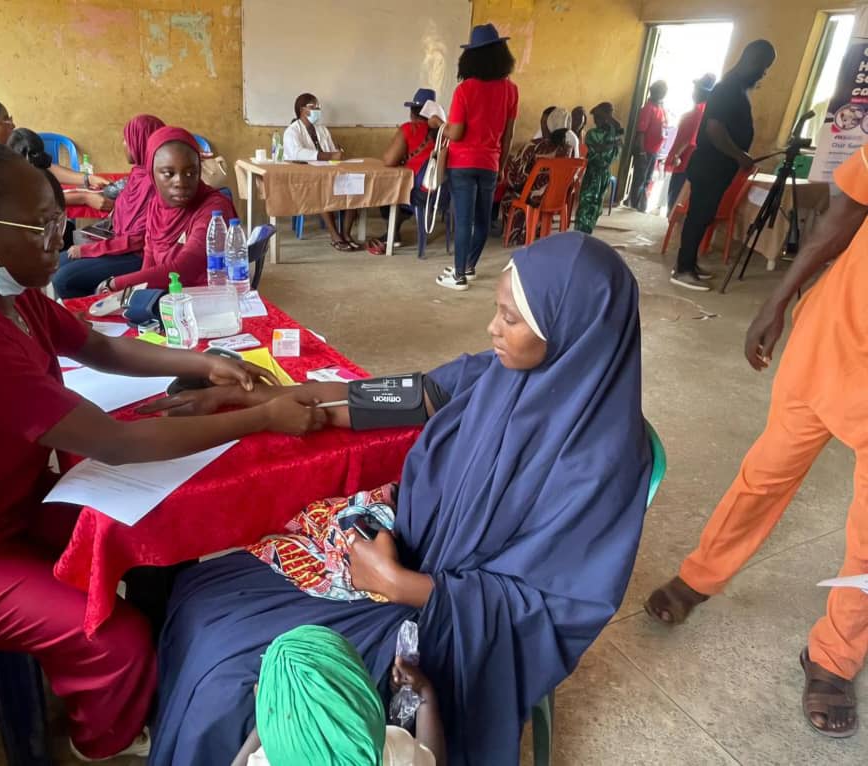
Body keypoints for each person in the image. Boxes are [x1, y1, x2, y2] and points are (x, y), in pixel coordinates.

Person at [0, 137, 327, 762]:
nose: (56, 239)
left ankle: (161, 668)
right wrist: (263, 417)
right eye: (39, 227)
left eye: (56, 221)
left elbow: (99, 347)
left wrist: (202, 363)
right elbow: (118, 443)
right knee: (114, 640)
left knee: (154, 535)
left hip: (9, 507)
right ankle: (104, 737)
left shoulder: (11, 296)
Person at [144, 232, 652, 765]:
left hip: (441, 615)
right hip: (400, 548)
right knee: (202, 592)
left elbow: (554, 608)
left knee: (233, 679)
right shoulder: (498, 374)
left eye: (510, 318)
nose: (492, 328)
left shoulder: (600, 463)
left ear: (570, 330)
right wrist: (254, 400)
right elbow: (391, 397)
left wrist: (399, 584)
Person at [645, 144, 868, 739]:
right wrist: (778, 298)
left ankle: (835, 654)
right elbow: (844, 213)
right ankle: (701, 575)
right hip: (830, 345)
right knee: (763, 476)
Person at [230, 626, 445, 766]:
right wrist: (425, 694)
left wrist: (266, 719)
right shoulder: (394, 750)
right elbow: (434, 760)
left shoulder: (264, 761)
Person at [670, 40, 775, 291]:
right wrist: (740, 156)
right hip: (709, 166)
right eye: (764, 66)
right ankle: (683, 270)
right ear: (752, 60)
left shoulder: (736, 88)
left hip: (718, 168)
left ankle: (690, 264)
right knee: (698, 217)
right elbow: (714, 129)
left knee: (704, 216)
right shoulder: (727, 89)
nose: (764, 73)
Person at [430, 23, 518, 291]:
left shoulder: (465, 89)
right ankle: (468, 266)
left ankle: (458, 276)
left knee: (463, 221)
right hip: (490, 164)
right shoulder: (510, 90)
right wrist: (501, 166)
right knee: (482, 221)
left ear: (470, 57)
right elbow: (508, 135)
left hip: (462, 164)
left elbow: (456, 133)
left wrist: (438, 124)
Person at [100, 126, 237, 294]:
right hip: (168, 295)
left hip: (205, 298)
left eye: (190, 173)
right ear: (151, 173)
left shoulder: (214, 208)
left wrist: (115, 284)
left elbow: (184, 268)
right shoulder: (156, 206)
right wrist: (138, 295)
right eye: (168, 174)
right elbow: (149, 259)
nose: (180, 182)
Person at [48, 115, 168, 298]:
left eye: (127, 139)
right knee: (58, 262)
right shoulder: (138, 175)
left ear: (142, 141)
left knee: (63, 279)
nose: (124, 144)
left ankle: (92, 308)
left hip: (139, 255)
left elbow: (138, 239)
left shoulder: (155, 184)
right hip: (122, 246)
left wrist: (88, 250)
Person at [0, 96, 109, 189]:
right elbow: (20, 202)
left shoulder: (6, 152)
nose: (12, 125)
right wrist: (83, 197)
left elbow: (44, 167)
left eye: (10, 118)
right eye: (5, 120)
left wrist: (88, 179)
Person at [368, 88, 443, 254]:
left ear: (412, 112)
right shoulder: (444, 133)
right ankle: (396, 227)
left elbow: (389, 160)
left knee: (387, 191)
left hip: (418, 192)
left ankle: (393, 234)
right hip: (442, 193)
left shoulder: (409, 129)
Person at [282, 93, 360, 252]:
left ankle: (346, 234)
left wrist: (337, 153)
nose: (317, 110)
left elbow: (331, 151)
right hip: (306, 179)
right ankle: (335, 236)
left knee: (354, 185)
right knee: (322, 190)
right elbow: (297, 153)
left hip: (328, 173)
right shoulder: (292, 131)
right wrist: (329, 156)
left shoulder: (322, 129)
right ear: (302, 110)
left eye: (318, 107)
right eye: (313, 107)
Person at [501, 128, 572, 244]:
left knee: (509, 196)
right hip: (557, 199)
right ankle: (538, 229)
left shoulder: (534, 146)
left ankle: (518, 235)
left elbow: (517, 177)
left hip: (534, 198)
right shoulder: (568, 149)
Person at [665, 74, 716, 212]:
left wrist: (676, 155)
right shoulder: (703, 110)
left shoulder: (699, 112)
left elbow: (689, 138)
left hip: (685, 161)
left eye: (696, 90)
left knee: (675, 198)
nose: (693, 93)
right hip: (689, 161)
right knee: (678, 199)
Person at [574, 103, 625, 235]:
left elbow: (619, 132)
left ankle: (586, 232)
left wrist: (611, 120)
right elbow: (597, 149)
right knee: (588, 202)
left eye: (598, 117)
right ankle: (581, 232)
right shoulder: (593, 134)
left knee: (595, 205)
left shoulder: (610, 133)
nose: (595, 120)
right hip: (595, 172)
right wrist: (613, 143)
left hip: (601, 173)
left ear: (606, 118)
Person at [627, 81, 668, 212]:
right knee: (639, 180)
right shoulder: (648, 108)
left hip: (654, 151)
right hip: (645, 150)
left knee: (647, 180)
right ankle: (634, 207)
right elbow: (641, 132)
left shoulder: (660, 108)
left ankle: (639, 206)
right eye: (662, 92)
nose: (663, 94)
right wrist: (642, 152)